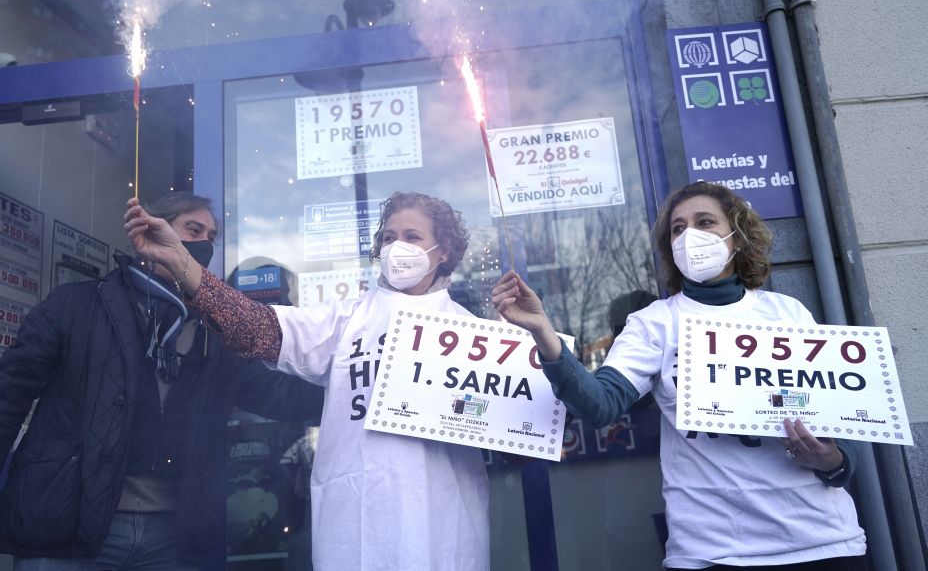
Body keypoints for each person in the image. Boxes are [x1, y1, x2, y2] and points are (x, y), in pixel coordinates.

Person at [492, 181, 867, 570]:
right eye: (678, 228)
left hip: (824, 543)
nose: (690, 236)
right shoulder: (654, 323)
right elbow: (599, 405)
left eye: (705, 222)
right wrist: (544, 333)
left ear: (737, 237)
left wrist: (832, 459)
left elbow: (836, 427)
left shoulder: (788, 313)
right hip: (712, 552)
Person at [124, 191, 490, 571]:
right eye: (388, 237)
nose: (397, 247)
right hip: (356, 529)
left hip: (444, 527)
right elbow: (256, 329)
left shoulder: (475, 336)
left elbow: (522, 426)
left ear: (443, 250)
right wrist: (182, 263)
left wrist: (541, 343)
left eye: (412, 237)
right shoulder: (345, 322)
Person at [0, 192, 323, 570]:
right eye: (193, 229)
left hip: (169, 538)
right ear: (155, 229)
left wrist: (358, 382)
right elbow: (10, 392)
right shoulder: (75, 305)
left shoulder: (215, 332)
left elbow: (279, 395)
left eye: (211, 237)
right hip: (67, 525)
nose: (203, 243)